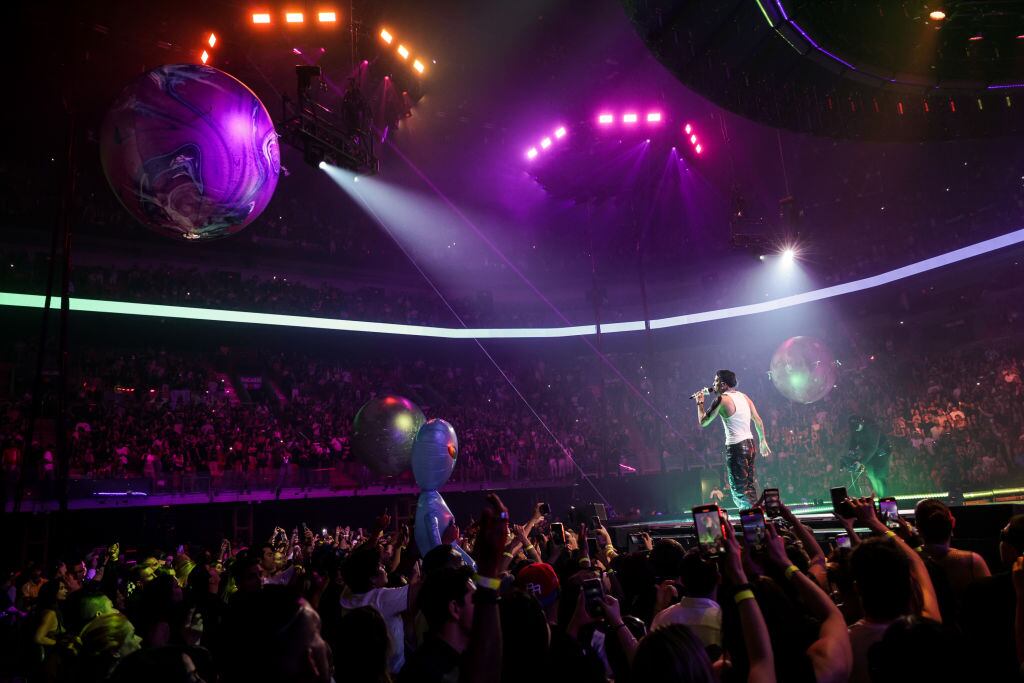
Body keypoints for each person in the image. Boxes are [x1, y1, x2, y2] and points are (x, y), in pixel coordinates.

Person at [695, 370, 771, 509]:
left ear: (723, 384)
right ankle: (758, 516)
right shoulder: (744, 397)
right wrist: (762, 441)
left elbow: (703, 422)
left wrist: (700, 403)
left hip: (736, 448)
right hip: (750, 444)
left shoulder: (721, 399)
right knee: (749, 485)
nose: (713, 384)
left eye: (716, 381)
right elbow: (758, 420)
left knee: (740, 491)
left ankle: (753, 522)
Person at [843, 415, 891, 497]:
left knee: (878, 476)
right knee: (871, 476)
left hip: (881, 453)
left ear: (861, 423)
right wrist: (851, 452)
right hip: (869, 455)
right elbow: (853, 441)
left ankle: (885, 500)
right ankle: (881, 497)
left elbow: (873, 447)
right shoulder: (855, 429)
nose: (856, 430)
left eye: (857, 428)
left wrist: (860, 462)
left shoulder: (872, 428)